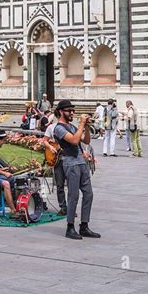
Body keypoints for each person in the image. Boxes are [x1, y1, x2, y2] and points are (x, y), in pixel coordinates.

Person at [53, 99, 100, 240]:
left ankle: (84, 225)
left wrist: (85, 127)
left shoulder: (72, 126)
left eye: (73, 110)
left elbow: (85, 141)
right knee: (73, 196)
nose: (72, 113)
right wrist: (81, 124)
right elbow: (73, 141)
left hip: (81, 162)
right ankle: (70, 227)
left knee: (89, 194)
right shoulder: (59, 128)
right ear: (61, 112)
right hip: (70, 163)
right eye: (69, 110)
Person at [44, 109, 66, 216]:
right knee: (60, 184)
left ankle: (70, 208)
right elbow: (44, 140)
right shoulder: (51, 127)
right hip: (56, 159)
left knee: (72, 185)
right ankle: (63, 207)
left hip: (67, 158)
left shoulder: (69, 127)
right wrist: (50, 147)